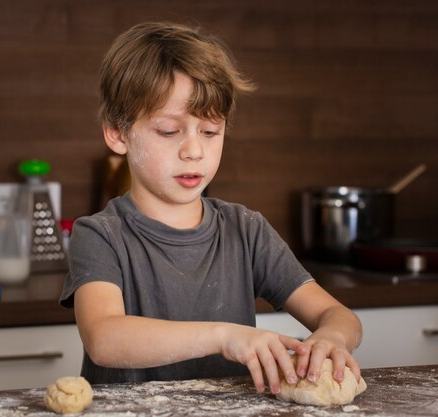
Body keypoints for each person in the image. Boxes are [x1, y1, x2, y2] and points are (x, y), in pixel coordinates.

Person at [60, 21, 363, 394]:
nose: (194, 150)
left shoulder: (245, 230)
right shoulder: (100, 235)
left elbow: (340, 316)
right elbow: (104, 339)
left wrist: (332, 337)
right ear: (118, 133)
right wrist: (225, 337)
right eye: (169, 131)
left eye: (209, 131)